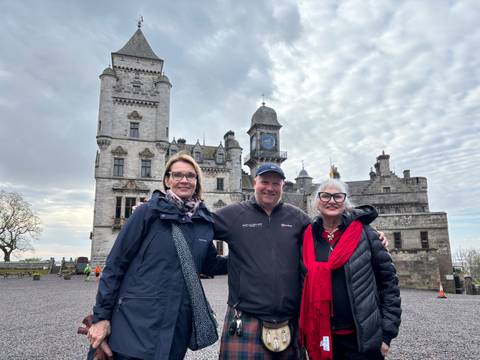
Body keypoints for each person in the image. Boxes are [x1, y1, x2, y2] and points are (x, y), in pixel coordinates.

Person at [213, 164, 388, 359]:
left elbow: (329, 227)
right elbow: (200, 230)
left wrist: (372, 235)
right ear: (255, 183)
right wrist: (222, 263)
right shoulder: (233, 214)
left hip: (290, 319)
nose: (270, 188)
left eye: (276, 183)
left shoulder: (297, 217)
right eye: (264, 182)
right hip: (246, 318)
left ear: (283, 187)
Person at [86, 153, 227, 360]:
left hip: (175, 329)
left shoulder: (203, 222)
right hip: (134, 324)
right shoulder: (147, 212)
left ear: (197, 182)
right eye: (177, 175)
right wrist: (101, 318)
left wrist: (249, 261)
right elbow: (115, 265)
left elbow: (209, 264)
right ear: (167, 180)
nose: (184, 180)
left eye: (190, 175)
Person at [299, 178, 401, 360]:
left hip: (362, 340)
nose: (331, 201)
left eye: (337, 196)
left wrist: (386, 334)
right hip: (322, 337)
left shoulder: (367, 234)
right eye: (325, 196)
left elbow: (389, 286)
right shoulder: (307, 238)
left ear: (345, 202)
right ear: (316, 202)